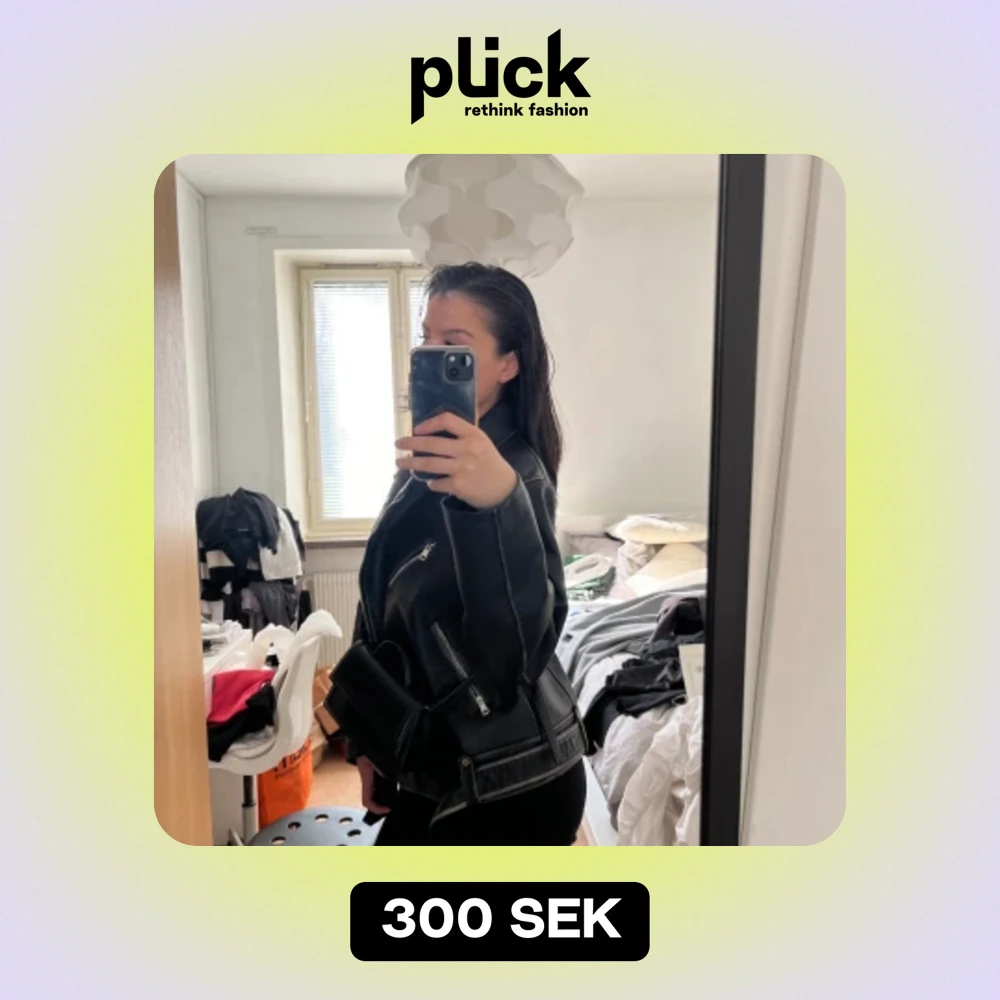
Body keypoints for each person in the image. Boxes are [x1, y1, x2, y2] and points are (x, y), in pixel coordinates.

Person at [342, 262, 587, 846]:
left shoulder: (515, 477)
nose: (429, 356)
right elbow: (383, 606)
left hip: (510, 782)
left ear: (508, 364)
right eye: (426, 338)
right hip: (437, 762)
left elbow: (509, 663)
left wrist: (495, 509)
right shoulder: (428, 462)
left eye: (454, 344)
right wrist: (369, 737)